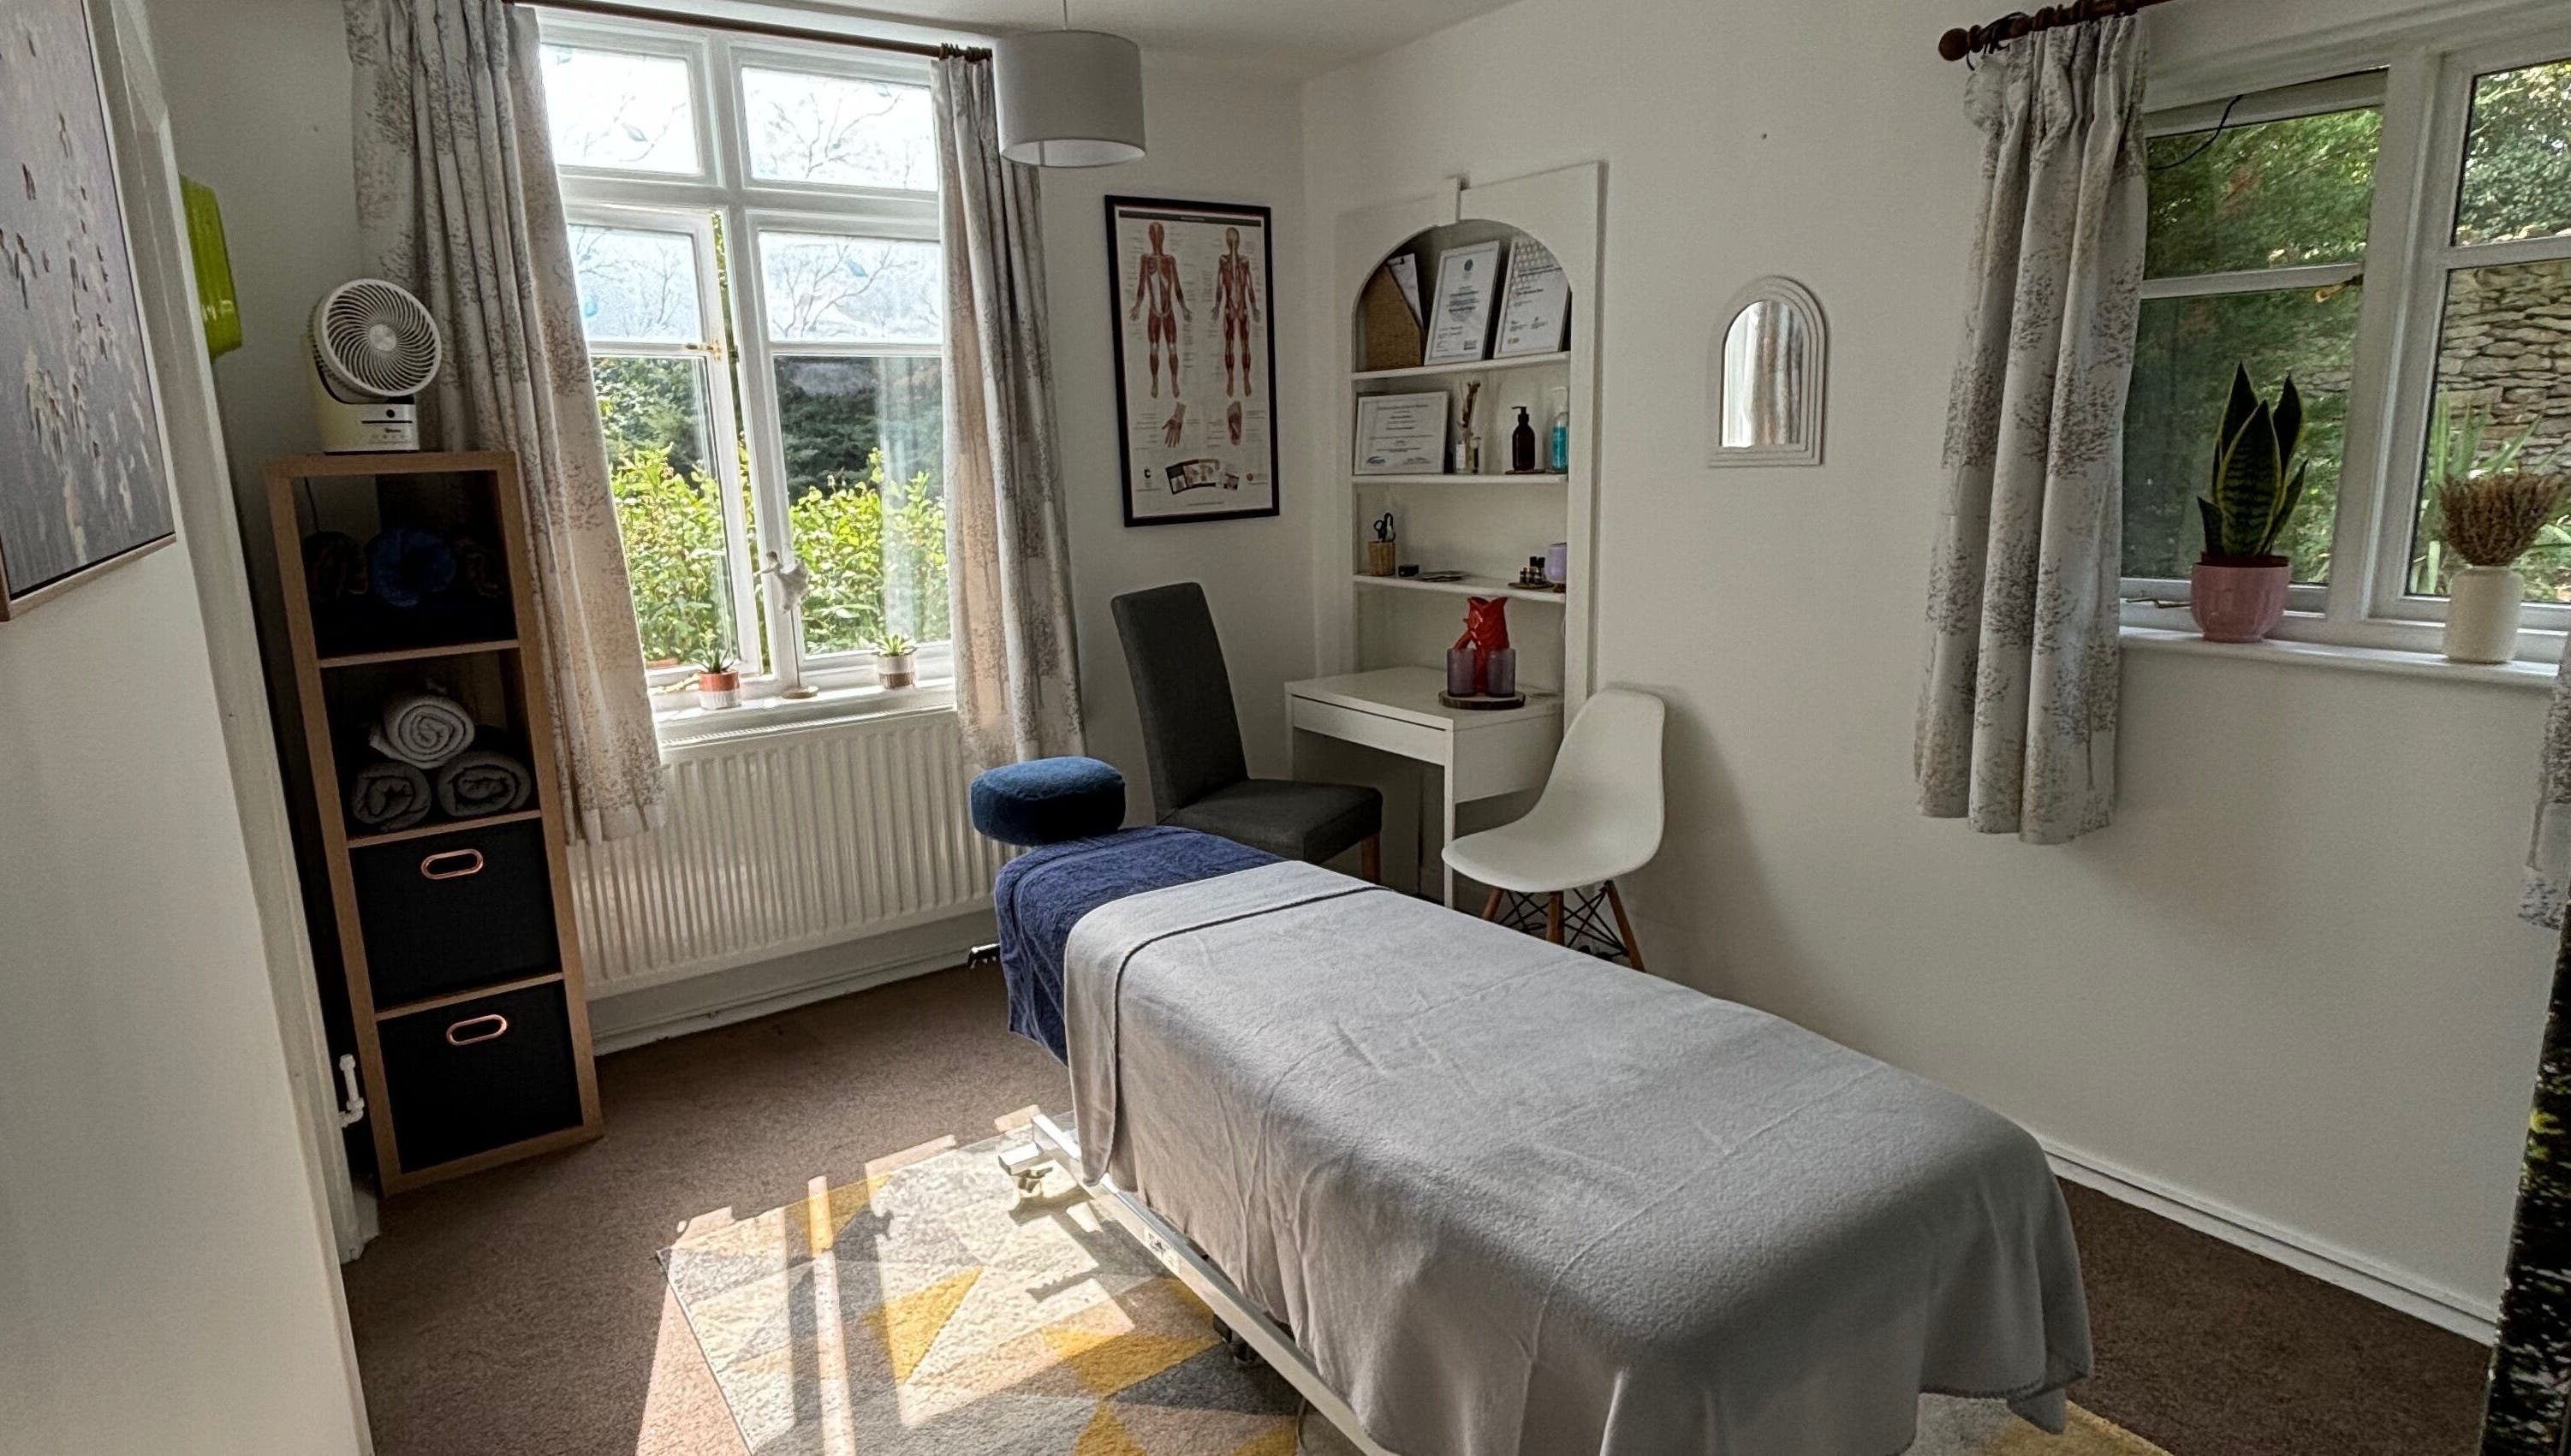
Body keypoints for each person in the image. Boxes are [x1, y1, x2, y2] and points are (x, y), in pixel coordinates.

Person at [1128, 220, 1189, 397]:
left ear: (1163, 236)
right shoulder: (1146, 260)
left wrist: (1183, 308)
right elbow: (1141, 285)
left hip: (1168, 312)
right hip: (1154, 312)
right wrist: (1138, 306)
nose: (1156, 238)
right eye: (1153, 234)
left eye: (1159, 234)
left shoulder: (1170, 260)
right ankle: (1155, 381)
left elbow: (1177, 287)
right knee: (1154, 347)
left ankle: (1174, 381)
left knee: (1172, 348)